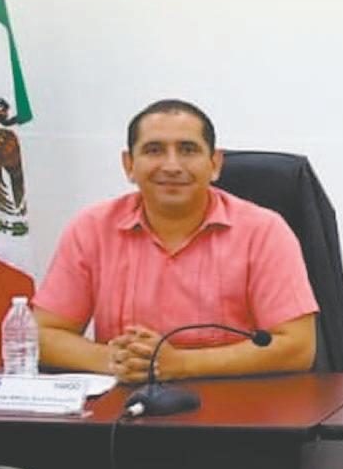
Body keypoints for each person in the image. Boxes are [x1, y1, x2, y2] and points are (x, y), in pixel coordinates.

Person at [33, 99, 318, 383]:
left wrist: (181, 364)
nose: (171, 166)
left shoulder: (263, 231)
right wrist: (115, 360)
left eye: (188, 150)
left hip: (237, 404)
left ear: (215, 163)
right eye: (154, 150)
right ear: (129, 165)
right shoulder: (93, 228)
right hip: (127, 404)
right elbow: (41, 335)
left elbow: (298, 347)